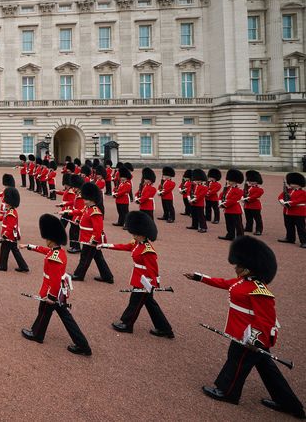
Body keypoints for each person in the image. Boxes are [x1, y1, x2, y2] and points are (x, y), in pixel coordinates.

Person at [186, 236, 304, 418]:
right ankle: (289, 404)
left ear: (248, 268)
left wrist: (254, 339)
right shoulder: (242, 281)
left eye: (238, 265)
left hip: (250, 337)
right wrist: (199, 278)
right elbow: (223, 283)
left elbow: (266, 320)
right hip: (243, 334)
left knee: (237, 361)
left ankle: (228, 392)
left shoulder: (259, 290)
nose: (235, 268)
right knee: (267, 370)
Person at [21, 214, 92, 356]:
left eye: (47, 239)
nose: (46, 241)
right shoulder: (58, 251)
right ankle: (38, 333)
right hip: (57, 291)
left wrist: (51, 297)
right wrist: (29, 246)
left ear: (51, 239)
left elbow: (54, 280)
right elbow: (45, 250)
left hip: (53, 291)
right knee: (52, 313)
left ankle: (38, 335)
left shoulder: (55, 257)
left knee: (48, 312)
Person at [99, 211, 173, 338]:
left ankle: (127, 324)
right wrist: (107, 246)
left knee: (135, 302)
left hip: (144, 282)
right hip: (139, 279)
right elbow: (124, 246)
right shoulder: (137, 243)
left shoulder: (148, 250)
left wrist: (152, 284)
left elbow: (153, 269)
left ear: (143, 234)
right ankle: (165, 328)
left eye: (135, 234)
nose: (133, 236)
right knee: (150, 304)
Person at [71, 182, 114, 283]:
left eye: (86, 199)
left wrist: (94, 240)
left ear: (92, 199)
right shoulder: (88, 208)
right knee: (98, 257)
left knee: (85, 257)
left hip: (91, 239)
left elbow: (98, 228)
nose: (84, 200)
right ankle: (107, 276)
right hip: (87, 237)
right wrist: (68, 212)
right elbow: (80, 212)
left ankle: (79, 275)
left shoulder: (95, 211)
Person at [0, 187, 29, 272]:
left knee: (4, 250)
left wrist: (5, 235)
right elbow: (3, 217)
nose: (5, 203)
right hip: (10, 236)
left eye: (6, 202)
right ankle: (23, 266)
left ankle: (3, 266)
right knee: (15, 251)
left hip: (9, 236)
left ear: (10, 203)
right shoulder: (9, 211)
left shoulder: (11, 213)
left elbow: (10, 226)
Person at [279, 172, 306, 247]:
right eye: (290, 183)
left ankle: (304, 241)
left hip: (298, 213)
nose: (291, 185)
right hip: (287, 212)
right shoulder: (288, 191)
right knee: (288, 226)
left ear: (299, 184)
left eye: (293, 183)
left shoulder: (303, 192)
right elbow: (280, 196)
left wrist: (289, 203)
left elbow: (299, 200)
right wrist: (282, 201)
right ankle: (290, 238)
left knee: (300, 228)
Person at [219, 169, 245, 241]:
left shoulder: (239, 190)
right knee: (229, 224)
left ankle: (240, 238)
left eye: (230, 181)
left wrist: (224, 204)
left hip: (235, 210)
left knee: (238, 225)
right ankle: (230, 235)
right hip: (227, 210)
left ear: (235, 181)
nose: (228, 182)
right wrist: (220, 201)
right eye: (228, 180)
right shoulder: (227, 188)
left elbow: (233, 200)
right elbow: (221, 195)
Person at [243, 170, 264, 236]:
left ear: (257, 181)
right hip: (247, 205)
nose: (250, 182)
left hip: (255, 206)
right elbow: (243, 193)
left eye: (252, 181)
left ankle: (259, 230)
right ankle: (248, 228)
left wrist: (247, 199)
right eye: (249, 181)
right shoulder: (247, 188)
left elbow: (255, 196)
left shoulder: (259, 189)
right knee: (248, 218)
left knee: (257, 219)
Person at [189, 169, 209, 233]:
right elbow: (190, 192)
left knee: (201, 216)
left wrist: (194, 198)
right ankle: (195, 225)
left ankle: (203, 227)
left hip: (199, 204)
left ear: (201, 180)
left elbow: (201, 195)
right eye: (195, 180)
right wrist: (190, 198)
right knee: (194, 215)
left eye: (197, 180)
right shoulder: (194, 186)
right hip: (193, 203)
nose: (195, 181)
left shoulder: (204, 187)